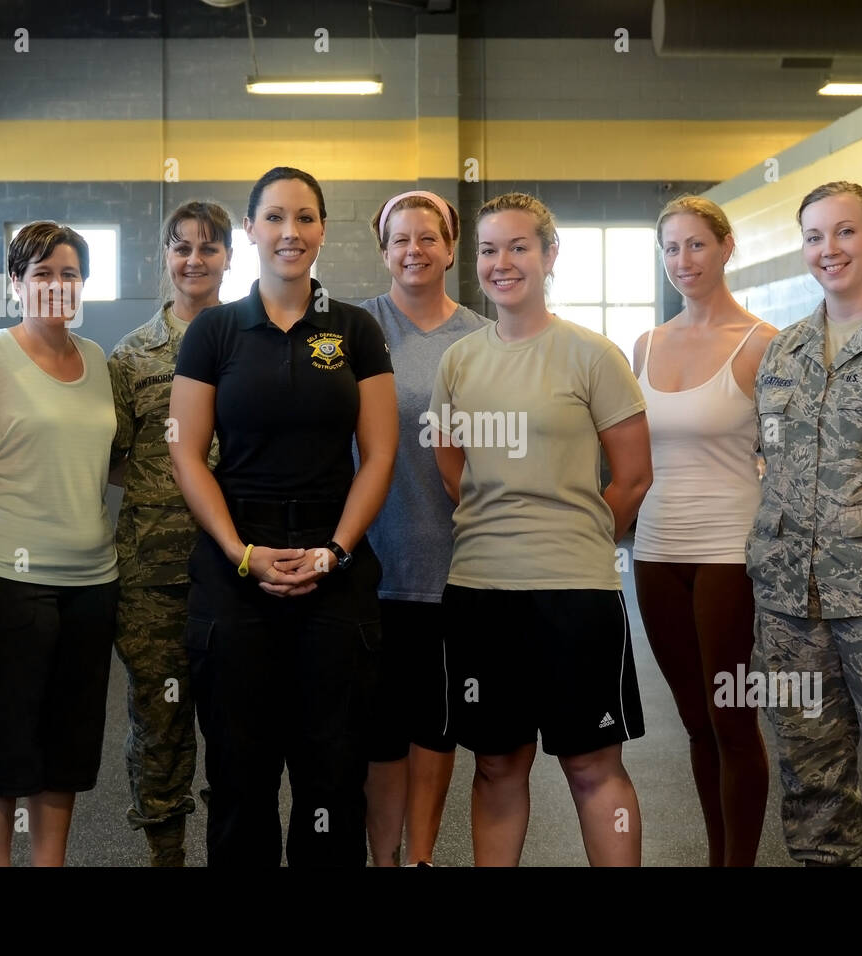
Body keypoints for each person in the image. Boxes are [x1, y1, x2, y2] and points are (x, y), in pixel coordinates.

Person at [170, 166, 397, 867]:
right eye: (273, 217)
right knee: (240, 774)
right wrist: (241, 552)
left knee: (331, 775)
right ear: (251, 230)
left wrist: (334, 550)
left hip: (334, 567)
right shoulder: (214, 331)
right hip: (235, 570)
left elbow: (380, 455)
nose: (289, 232)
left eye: (304, 218)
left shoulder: (354, 329)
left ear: (323, 229)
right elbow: (187, 456)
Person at [431, 192, 652, 866]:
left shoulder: (592, 355)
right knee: (496, 766)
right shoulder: (460, 362)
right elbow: (452, 470)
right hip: (480, 590)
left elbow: (633, 476)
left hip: (575, 597)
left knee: (591, 767)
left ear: (549, 255)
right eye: (490, 250)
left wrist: (576, 539)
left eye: (518, 247)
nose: (502, 263)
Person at [746, 181, 862, 867]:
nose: (829, 250)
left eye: (845, 232)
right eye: (815, 236)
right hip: (790, 603)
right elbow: (772, 464)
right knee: (809, 782)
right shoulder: (782, 350)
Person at [0, 221, 119, 867]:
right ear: (16, 283)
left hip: (93, 577)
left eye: (70, 273)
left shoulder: (98, 361)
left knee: (69, 745)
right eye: (43, 273)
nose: (58, 285)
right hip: (11, 573)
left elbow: (104, 460)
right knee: (8, 744)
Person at [631, 195, 776, 867]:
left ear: (725, 248)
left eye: (696, 245)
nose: (683, 260)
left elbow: (782, 456)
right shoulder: (646, 343)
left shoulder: (762, 343)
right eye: (670, 248)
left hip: (729, 550)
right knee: (693, 721)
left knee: (731, 719)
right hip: (656, 547)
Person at [357, 190, 490, 867]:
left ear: (449, 246)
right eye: (400, 239)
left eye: (427, 238)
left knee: (436, 729)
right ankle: (384, 859)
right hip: (369, 566)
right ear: (384, 250)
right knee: (381, 734)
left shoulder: (479, 336)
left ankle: (420, 859)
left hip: (450, 566)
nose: (414, 250)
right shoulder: (354, 329)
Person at [107, 201, 232, 866]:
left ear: (228, 259)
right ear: (165, 256)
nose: (194, 260)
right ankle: (165, 857)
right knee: (159, 726)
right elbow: (116, 459)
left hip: (239, 571)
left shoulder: (257, 341)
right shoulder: (132, 356)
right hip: (153, 575)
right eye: (181, 247)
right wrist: (174, 490)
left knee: (237, 728)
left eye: (209, 248)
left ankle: (229, 849)